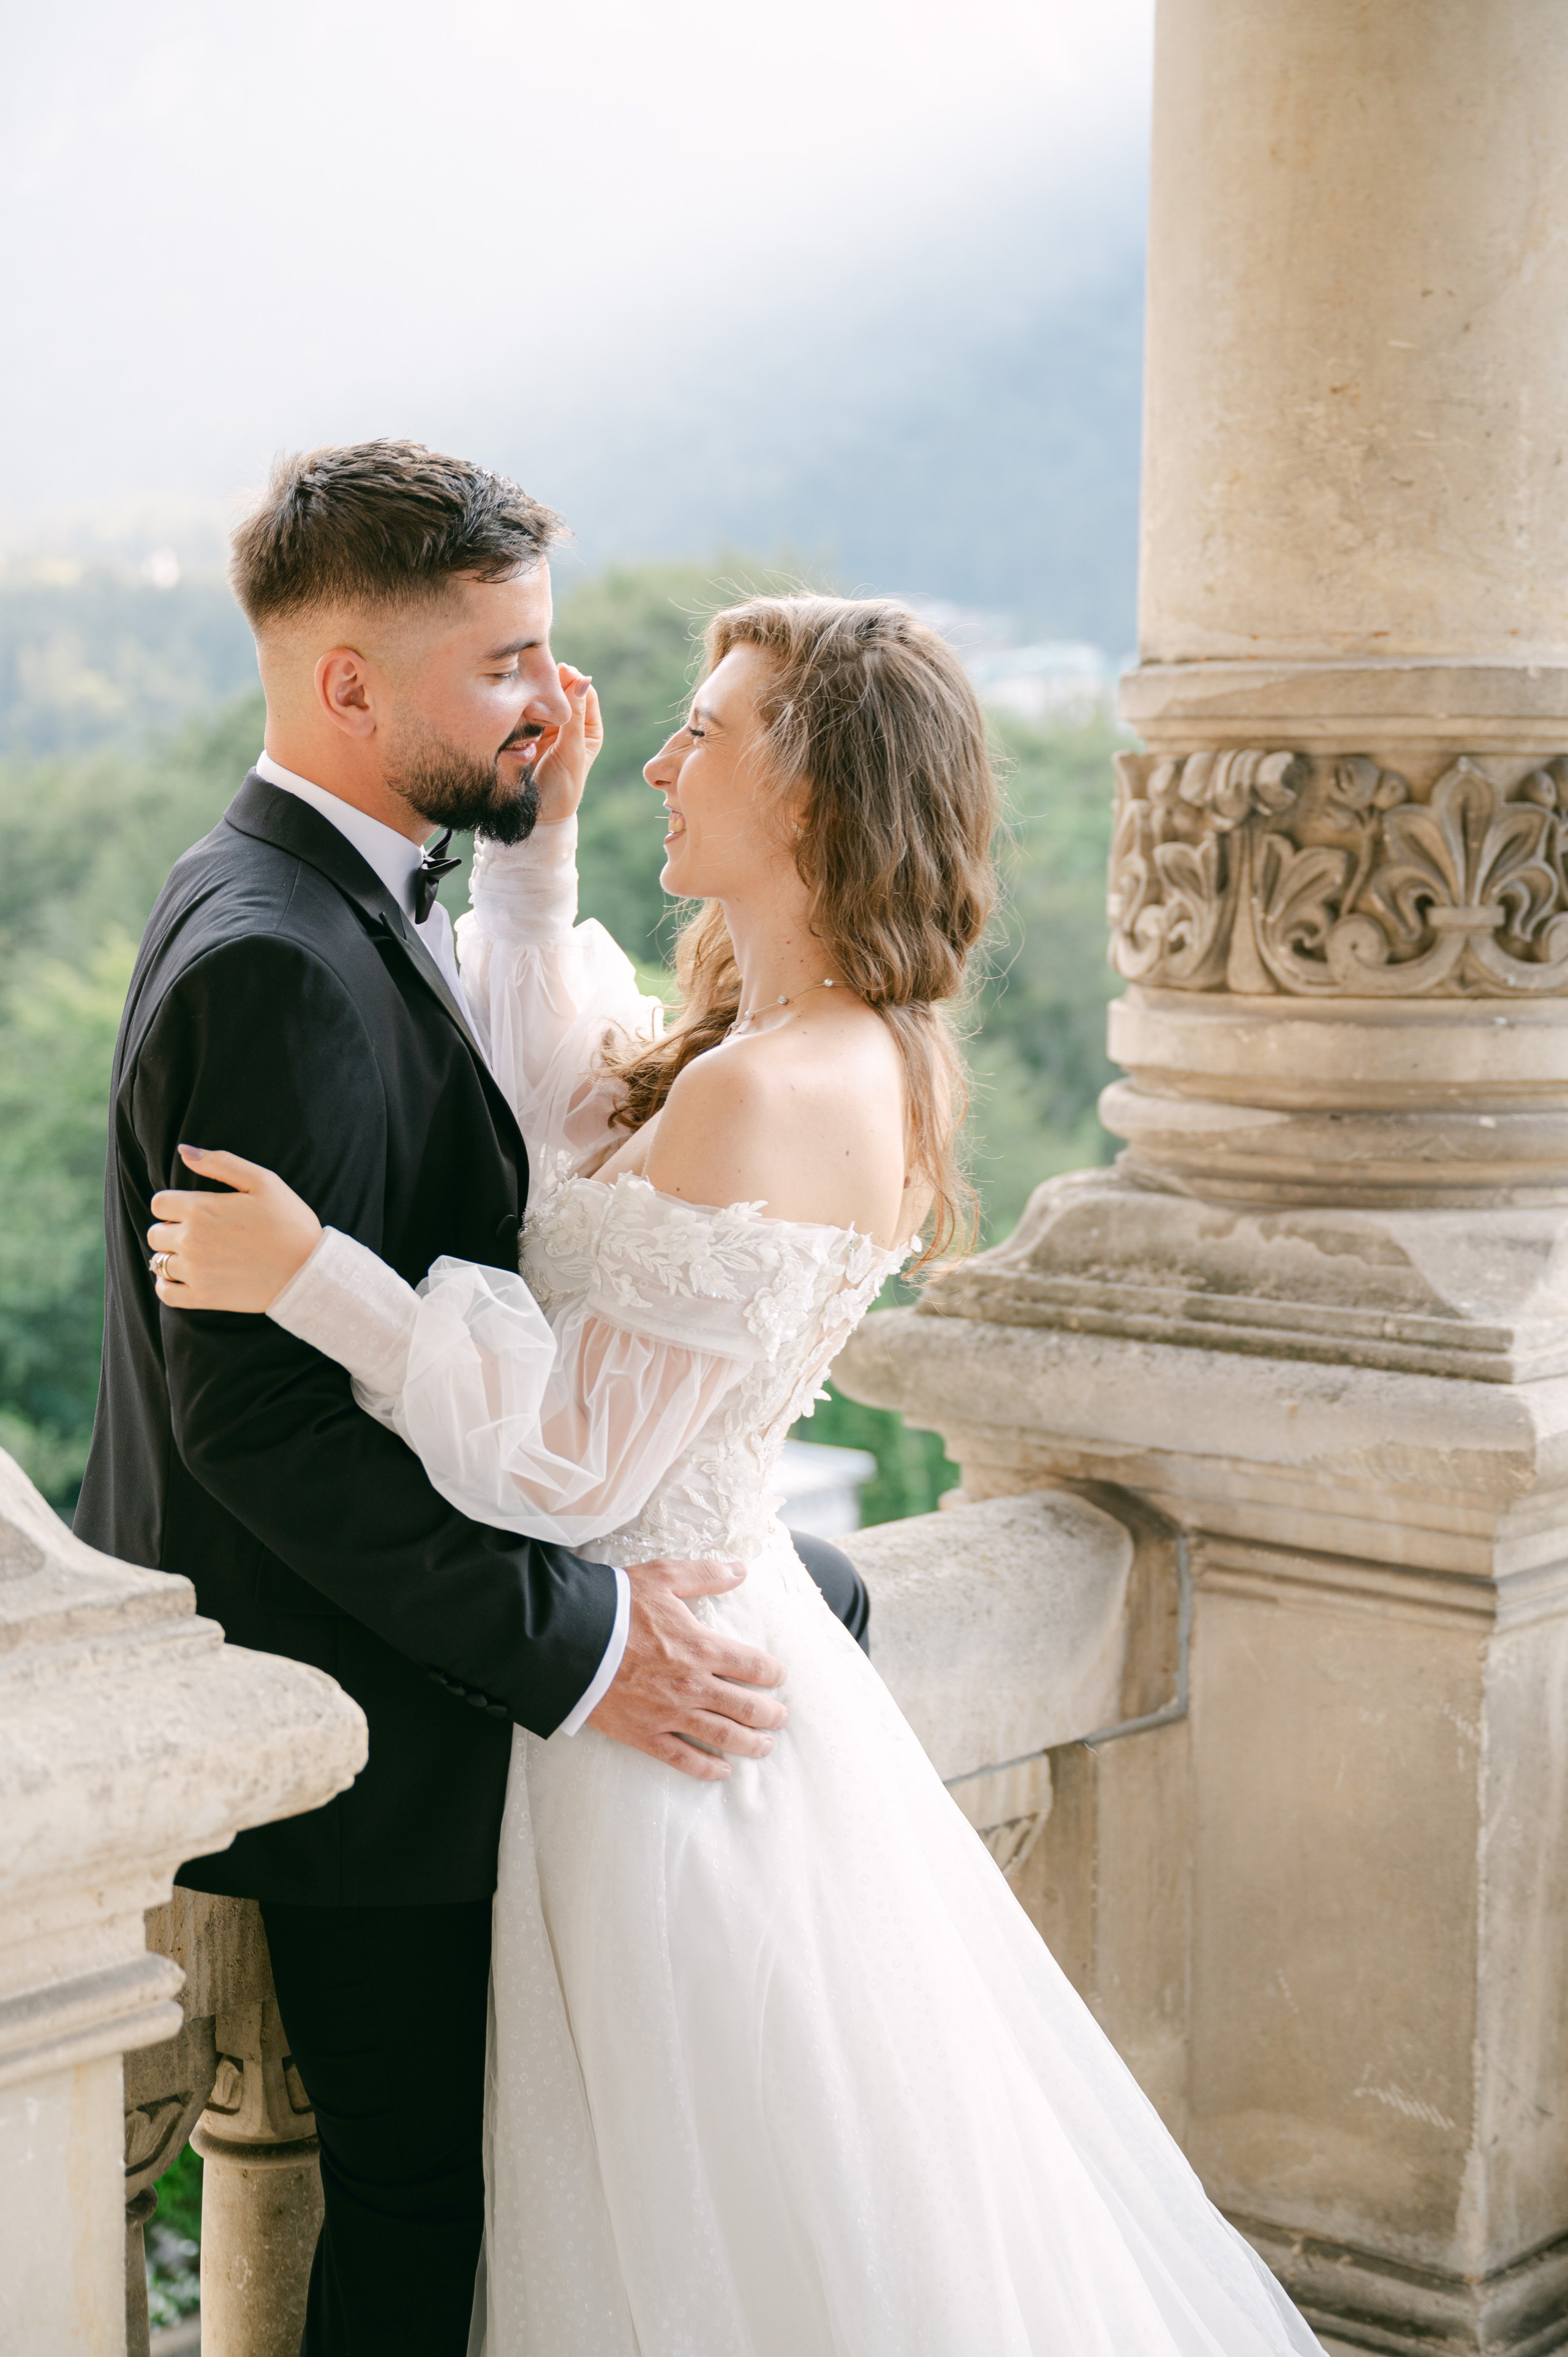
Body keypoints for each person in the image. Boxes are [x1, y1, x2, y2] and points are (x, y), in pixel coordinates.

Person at [152, 558, 1327, 2354]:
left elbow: (567, 1476)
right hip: (729, 1645)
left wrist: (320, 1281)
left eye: (699, 736)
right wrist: (535, 868)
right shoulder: (817, 1051)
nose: (648, 768)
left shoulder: (767, 1091)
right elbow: (567, 1116)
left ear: (812, 794)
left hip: (659, 1720)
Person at [76, 440, 868, 2357]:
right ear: (348, 685)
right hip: (372, 1720)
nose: (555, 698)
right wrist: (585, 1643)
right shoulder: (273, 958)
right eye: (506, 659)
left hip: (436, 1677)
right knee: (425, 2210)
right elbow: (252, 1428)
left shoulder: (334, 892)